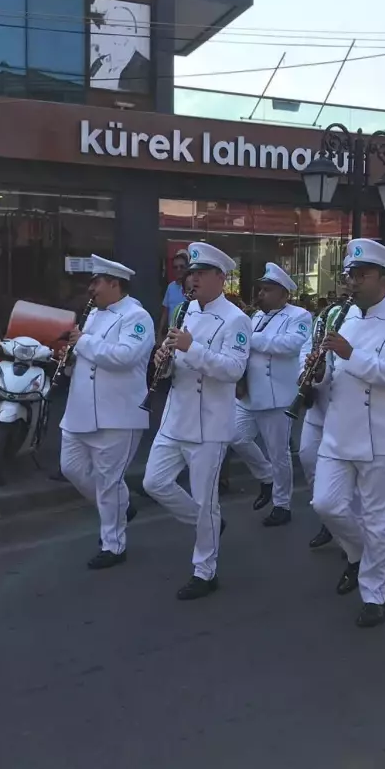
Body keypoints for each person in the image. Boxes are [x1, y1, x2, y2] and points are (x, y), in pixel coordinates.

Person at [310, 239, 385, 629]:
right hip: (338, 430)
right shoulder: (340, 317)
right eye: (351, 275)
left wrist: (348, 354)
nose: (353, 282)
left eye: (362, 275)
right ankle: (357, 553)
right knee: (326, 505)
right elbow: (333, 373)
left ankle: (375, 594)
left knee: (377, 521)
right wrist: (315, 376)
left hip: (381, 436)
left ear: (383, 278)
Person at [142, 242, 250, 600]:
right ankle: (209, 525)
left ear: (220, 277)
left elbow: (233, 370)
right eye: (191, 274)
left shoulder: (237, 319)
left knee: (206, 499)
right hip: (176, 415)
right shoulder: (184, 312)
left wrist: (191, 348)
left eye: (201, 274)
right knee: (154, 482)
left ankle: (205, 570)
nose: (194, 280)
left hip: (209, 423)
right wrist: (165, 359)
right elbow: (179, 362)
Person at [59, 255, 154, 569]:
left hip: (118, 414)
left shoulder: (137, 317)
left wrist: (83, 342)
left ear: (114, 283)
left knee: (109, 481)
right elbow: (89, 360)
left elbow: (124, 357)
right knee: (71, 468)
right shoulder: (94, 316)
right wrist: (68, 358)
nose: (91, 289)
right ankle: (121, 507)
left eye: (96, 282)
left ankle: (113, 545)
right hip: (81, 409)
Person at [228, 263, 312, 528]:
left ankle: (282, 504)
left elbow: (290, 346)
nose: (261, 294)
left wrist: (250, 339)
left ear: (283, 294)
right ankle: (266, 478)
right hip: (249, 393)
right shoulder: (254, 318)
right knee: (236, 436)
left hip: (277, 396)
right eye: (261, 289)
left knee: (279, 453)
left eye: (267, 290)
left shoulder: (299, 316)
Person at [300, 260, 351, 551]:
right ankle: (329, 518)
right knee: (308, 459)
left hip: (344, 409)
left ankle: (344, 530)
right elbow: (309, 347)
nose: (348, 284)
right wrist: (307, 373)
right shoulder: (326, 315)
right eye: (346, 278)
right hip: (319, 404)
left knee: (344, 473)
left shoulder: (360, 317)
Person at [158, 250, 191, 341]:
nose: (178, 270)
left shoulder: (193, 288)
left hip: (187, 335)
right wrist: (160, 335)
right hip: (171, 335)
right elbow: (165, 312)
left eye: (182, 267)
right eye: (175, 267)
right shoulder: (170, 287)